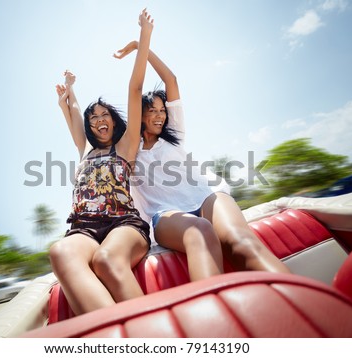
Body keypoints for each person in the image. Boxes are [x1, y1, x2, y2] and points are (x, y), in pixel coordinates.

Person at [114, 41, 291, 275]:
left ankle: (301, 302)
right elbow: (133, 93)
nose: (159, 115)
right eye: (152, 111)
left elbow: (171, 80)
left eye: (162, 110)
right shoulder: (129, 151)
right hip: (166, 214)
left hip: (206, 197)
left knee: (241, 241)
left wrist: (141, 48)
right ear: (141, 116)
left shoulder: (173, 133)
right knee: (198, 231)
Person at [48, 9, 154, 316]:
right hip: (84, 229)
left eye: (104, 114)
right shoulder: (84, 150)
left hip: (123, 224)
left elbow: (135, 89)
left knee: (106, 260)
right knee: (60, 252)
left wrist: (144, 37)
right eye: (93, 118)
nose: (98, 120)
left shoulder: (126, 146)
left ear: (114, 120)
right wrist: (69, 88)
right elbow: (75, 110)